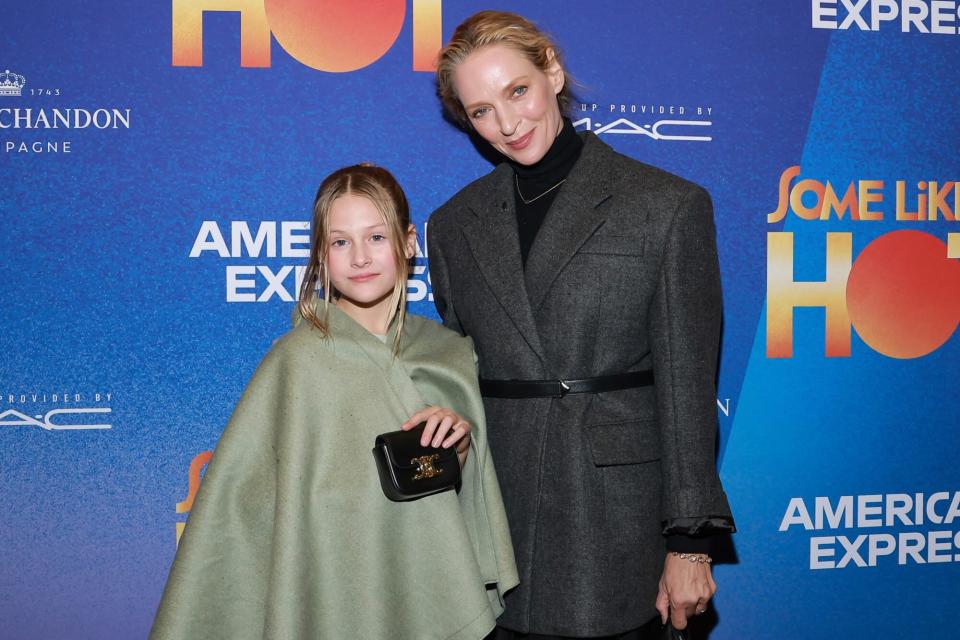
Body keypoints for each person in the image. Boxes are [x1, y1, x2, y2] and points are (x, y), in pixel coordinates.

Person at [427, 11, 735, 639]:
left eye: (517, 91)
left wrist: (690, 543)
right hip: (498, 521)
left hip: (617, 517)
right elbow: (455, 372)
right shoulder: (454, 225)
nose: (508, 124)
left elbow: (686, 387)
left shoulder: (665, 206)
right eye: (481, 111)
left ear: (552, 71)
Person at [150, 164, 518, 640]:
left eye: (377, 238)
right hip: (329, 590)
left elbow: (469, 511)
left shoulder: (450, 353)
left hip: (427, 580)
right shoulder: (296, 361)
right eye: (341, 242)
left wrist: (458, 451)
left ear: (409, 243)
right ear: (321, 255)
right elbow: (239, 513)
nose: (360, 257)